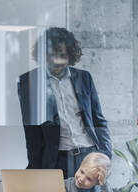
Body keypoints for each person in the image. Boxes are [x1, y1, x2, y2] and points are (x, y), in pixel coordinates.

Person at [18, 27, 112, 179]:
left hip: (88, 154)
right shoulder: (29, 82)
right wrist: (34, 169)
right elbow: (31, 132)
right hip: (56, 160)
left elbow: (98, 120)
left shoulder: (84, 77)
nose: (56, 61)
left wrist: (106, 154)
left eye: (61, 55)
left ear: (70, 54)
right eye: (51, 55)